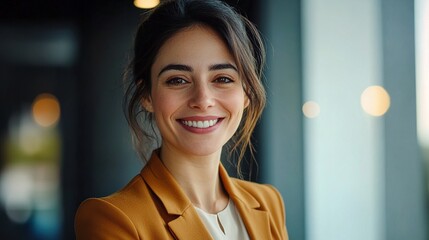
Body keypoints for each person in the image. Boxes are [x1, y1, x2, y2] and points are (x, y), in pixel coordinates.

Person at [74, 0, 288, 239]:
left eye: (223, 78)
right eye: (178, 80)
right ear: (147, 95)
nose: (203, 99)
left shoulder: (269, 203)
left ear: (247, 92)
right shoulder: (112, 218)